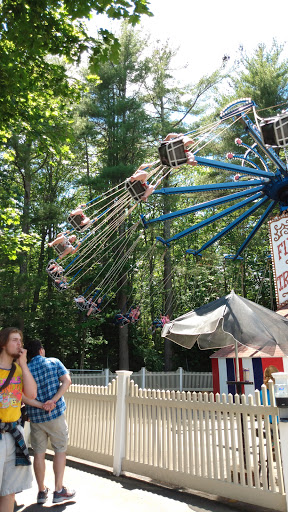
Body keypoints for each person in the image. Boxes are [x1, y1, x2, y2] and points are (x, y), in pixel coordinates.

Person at [23, 340, 75, 505]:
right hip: (56, 415)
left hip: (36, 419)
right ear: (41, 350)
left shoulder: (25, 370)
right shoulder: (54, 362)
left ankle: (41, 491)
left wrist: (41, 405)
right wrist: (52, 401)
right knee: (60, 450)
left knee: (39, 453)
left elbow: (22, 396)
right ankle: (59, 490)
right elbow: (67, 381)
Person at [0, 327, 37, 512]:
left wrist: (23, 365)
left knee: (10, 491)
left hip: (15, 434)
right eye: (14, 340)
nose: (19, 344)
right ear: (3, 343)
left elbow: (31, 393)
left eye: (20, 341)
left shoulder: (19, 370)